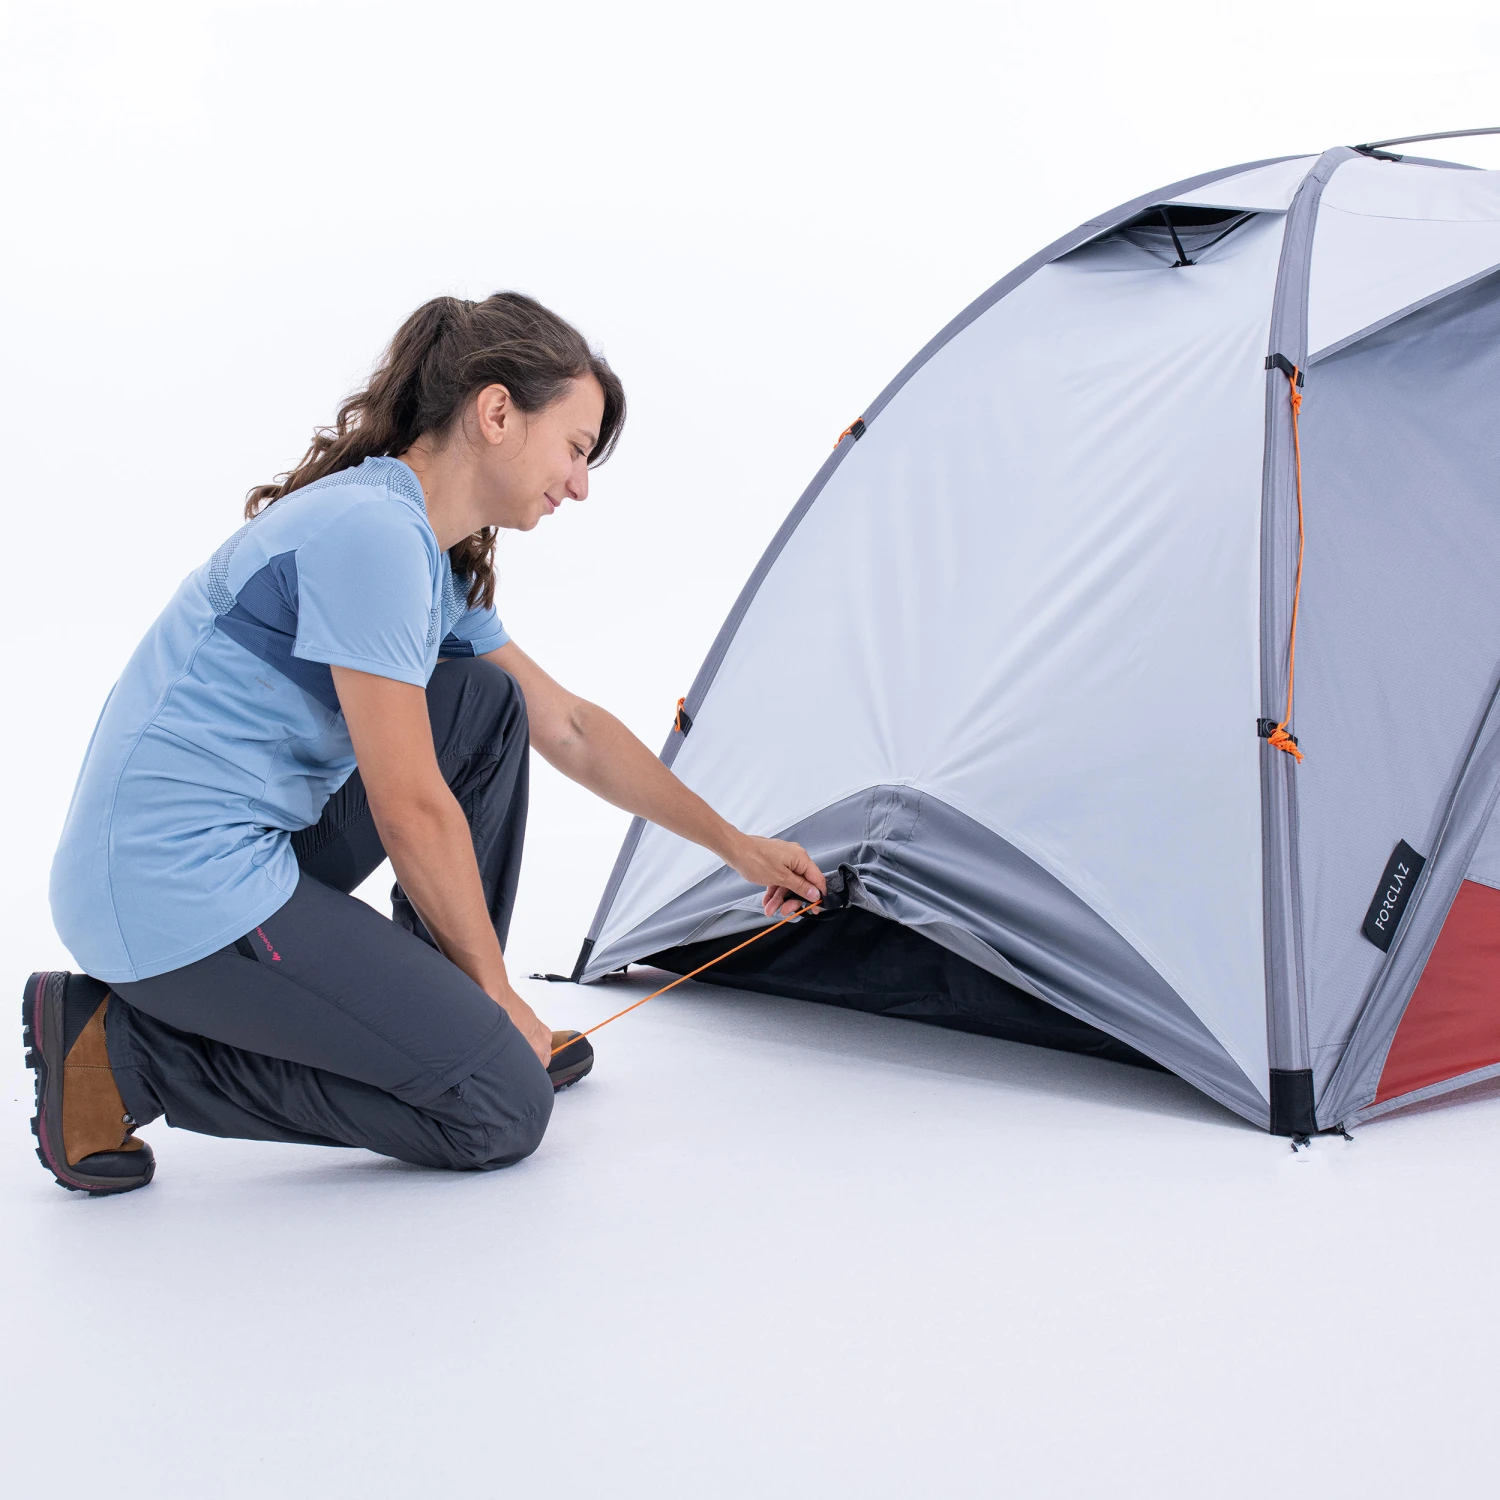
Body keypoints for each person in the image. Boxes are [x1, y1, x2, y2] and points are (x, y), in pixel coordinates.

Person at [25, 292, 827, 1196]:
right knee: (499, 1108)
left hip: (231, 852)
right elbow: (408, 806)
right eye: (575, 447)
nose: (579, 485)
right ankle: (126, 1056)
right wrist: (498, 995)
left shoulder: (426, 557)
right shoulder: (372, 536)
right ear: (497, 413)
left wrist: (736, 847)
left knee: (482, 702)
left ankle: (445, 1019)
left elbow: (566, 725)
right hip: (163, 887)